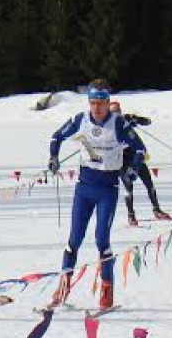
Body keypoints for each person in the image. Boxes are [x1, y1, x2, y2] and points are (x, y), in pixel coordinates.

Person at [46, 79, 147, 310]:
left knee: (102, 239)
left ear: (108, 102)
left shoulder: (118, 124)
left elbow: (140, 149)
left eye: (101, 103)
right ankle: (62, 290)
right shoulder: (80, 121)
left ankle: (106, 292)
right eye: (93, 103)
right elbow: (55, 137)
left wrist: (132, 170)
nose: (97, 108)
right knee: (74, 240)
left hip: (107, 190)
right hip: (84, 188)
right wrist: (53, 157)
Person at [108, 101, 170, 225]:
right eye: (113, 111)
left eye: (118, 110)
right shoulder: (107, 125)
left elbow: (147, 121)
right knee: (128, 186)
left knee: (149, 182)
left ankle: (157, 209)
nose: (116, 113)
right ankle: (131, 215)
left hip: (136, 155)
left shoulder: (125, 119)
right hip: (121, 159)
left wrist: (136, 119)